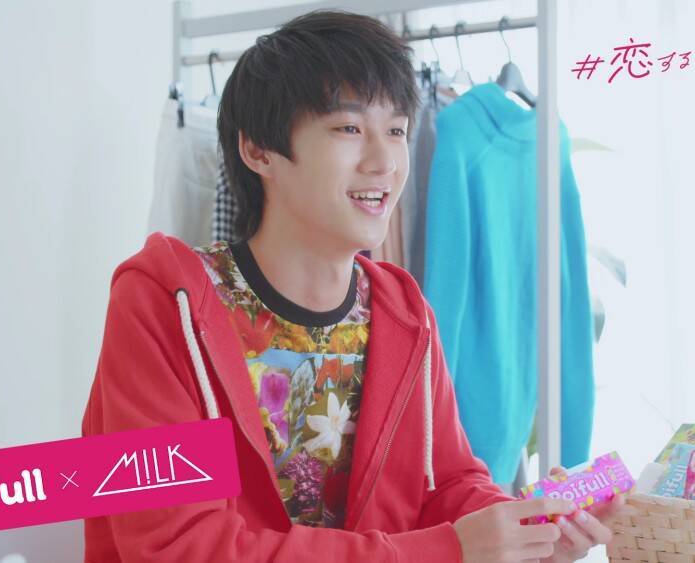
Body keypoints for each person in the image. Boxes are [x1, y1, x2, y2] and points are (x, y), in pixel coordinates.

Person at [81, 9, 627, 562]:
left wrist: (531, 529)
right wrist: (444, 550)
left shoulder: (403, 312)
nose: (384, 161)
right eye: (349, 128)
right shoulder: (163, 303)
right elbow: (178, 545)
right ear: (258, 150)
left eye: (397, 131)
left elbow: (448, 488)